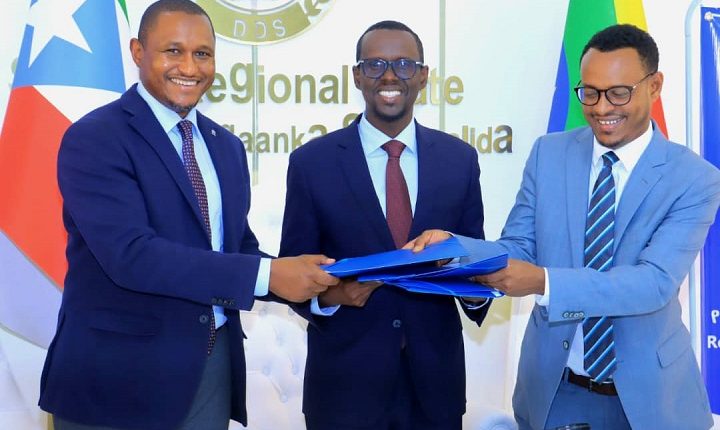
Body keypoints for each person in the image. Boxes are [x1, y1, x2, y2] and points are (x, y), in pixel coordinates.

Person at [38, 1, 338, 429]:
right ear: (138, 52)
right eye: (173, 51)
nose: (190, 67)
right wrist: (269, 275)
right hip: (116, 381)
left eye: (202, 53)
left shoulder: (226, 147)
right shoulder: (95, 138)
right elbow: (132, 256)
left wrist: (322, 288)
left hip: (210, 368)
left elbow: (236, 249)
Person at [407, 24, 720, 429]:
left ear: (655, 85)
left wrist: (544, 282)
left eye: (618, 93)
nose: (601, 108)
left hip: (654, 401)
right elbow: (519, 246)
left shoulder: (694, 178)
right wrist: (456, 247)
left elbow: (653, 283)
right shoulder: (549, 154)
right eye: (589, 92)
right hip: (557, 393)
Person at [279, 20, 490, 430]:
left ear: (423, 76)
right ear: (357, 76)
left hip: (436, 390)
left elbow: (475, 261)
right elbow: (292, 273)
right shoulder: (311, 163)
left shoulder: (459, 160)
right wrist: (335, 295)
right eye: (375, 65)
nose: (390, 76)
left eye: (404, 65)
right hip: (344, 391)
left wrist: (467, 271)